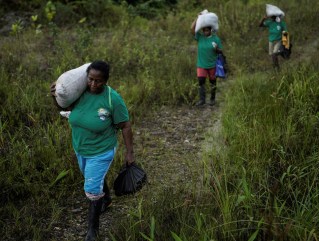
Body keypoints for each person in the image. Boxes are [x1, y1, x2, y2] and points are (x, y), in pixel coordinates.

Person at [51, 60, 134, 241]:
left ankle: (92, 230)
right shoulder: (80, 93)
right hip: (80, 148)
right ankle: (106, 199)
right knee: (91, 176)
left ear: (106, 81)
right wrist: (55, 97)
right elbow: (65, 107)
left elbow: (125, 126)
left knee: (91, 188)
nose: (93, 84)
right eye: (90, 79)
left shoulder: (113, 99)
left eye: (98, 81)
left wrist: (130, 153)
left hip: (102, 150)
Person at [191, 16, 223, 106]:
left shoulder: (216, 39)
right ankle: (202, 100)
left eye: (207, 31)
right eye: (204, 30)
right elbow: (192, 29)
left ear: (210, 30)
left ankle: (212, 99)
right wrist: (197, 18)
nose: (205, 32)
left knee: (213, 82)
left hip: (212, 64)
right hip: (201, 64)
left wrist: (217, 48)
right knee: (201, 81)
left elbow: (221, 51)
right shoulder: (200, 37)